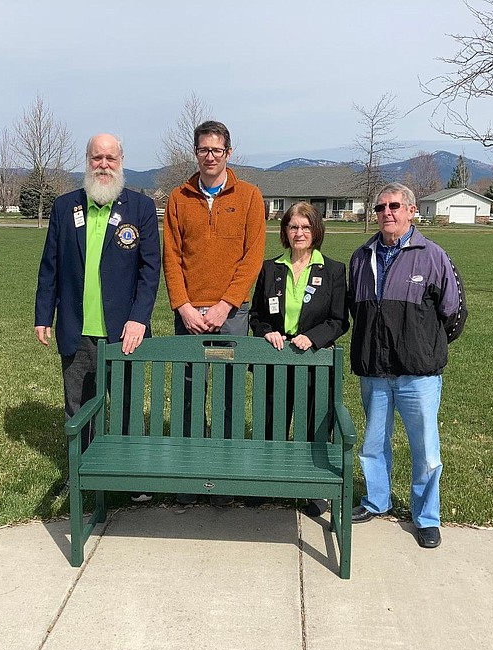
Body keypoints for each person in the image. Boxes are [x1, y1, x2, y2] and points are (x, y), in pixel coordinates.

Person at [34, 133, 161, 502]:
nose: (103, 165)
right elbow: (50, 266)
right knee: (78, 406)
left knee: (126, 407)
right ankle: (82, 474)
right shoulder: (65, 207)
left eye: (110, 158)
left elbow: (150, 271)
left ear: (121, 161)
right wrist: (43, 315)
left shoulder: (140, 207)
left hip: (125, 333)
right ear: (87, 160)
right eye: (96, 157)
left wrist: (139, 319)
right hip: (77, 328)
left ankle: (131, 478)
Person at [348, 182, 467, 548]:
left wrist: (423, 347)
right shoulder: (361, 257)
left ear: (412, 211)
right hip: (375, 371)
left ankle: (426, 517)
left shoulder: (432, 255)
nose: (387, 212)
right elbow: (356, 310)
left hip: (418, 375)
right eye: (381, 207)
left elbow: (454, 313)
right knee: (373, 444)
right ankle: (376, 500)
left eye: (395, 206)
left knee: (426, 451)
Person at [162, 120, 266, 506]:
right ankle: (189, 480)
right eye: (204, 150)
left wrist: (226, 305)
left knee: (228, 395)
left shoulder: (250, 196)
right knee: (190, 394)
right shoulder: (178, 198)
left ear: (228, 153)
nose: (210, 156)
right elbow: (171, 257)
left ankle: (224, 480)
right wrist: (183, 306)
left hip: (232, 315)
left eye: (216, 150)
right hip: (189, 315)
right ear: (196, 153)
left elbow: (253, 256)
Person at [250, 201, 349, 516]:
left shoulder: (333, 270)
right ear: (285, 231)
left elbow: (339, 320)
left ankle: (314, 488)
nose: (299, 232)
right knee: (271, 424)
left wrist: (314, 337)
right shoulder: (270, 268)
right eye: (293, 226)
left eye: (306, 227)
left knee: (313, 425)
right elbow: (256, 315)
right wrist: (267, 332)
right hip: (276, 359)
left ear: (316, 230)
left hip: (312, 360)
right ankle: (266, 481)